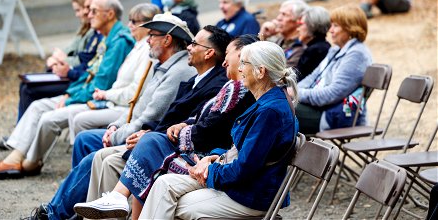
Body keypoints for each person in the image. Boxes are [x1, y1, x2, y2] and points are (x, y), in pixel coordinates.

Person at [22, 24, 230, 220]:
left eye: (194, 44)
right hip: (151, 135)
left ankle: (60, 212)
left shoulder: (205, 81)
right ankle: (84, 210)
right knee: (96, 151)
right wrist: (120, 128)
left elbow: (177, 122)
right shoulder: (192, 77)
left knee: (104, 156)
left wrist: (136, 133)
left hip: (173, 148)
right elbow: (142, 106)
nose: (189, 47)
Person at [72, 35, 259, 219]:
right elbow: (201, 118)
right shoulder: (230, 85)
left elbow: (210, 130)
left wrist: (177, 133)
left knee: (145, 145)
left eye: (228, 54)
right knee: (112, 154)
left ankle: (116, 197)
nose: (225, 62)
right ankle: (113, 199)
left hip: (201, 157)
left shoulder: (236, 89)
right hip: (199, 152)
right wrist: (183, 124)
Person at [128, 41, 298, 219]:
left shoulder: (269, 111)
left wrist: (210, 171)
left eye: (244, 63)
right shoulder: (268, 102)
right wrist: (212, 158)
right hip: (241, 183)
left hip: (249, 195)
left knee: (168, 203)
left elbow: (245, 168)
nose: (239, 69)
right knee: (163, 183)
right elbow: (242, 149)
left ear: (261, 71)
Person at [0, 0, 134, 179]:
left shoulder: (119, 41)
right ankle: (16, 157)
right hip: (85, 93)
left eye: (94, 11)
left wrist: (71, 98)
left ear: (110, 14)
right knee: (37, 106)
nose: (89, 15)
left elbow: (101, 83)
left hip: (100, 100)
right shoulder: (107, 37)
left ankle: (29, 162)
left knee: (49, 118)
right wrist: (68, 94)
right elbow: (88, 74)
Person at [65, 3, 160, 144]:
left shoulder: (147, 51)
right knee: (73, 114)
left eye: (134, 22)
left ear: (148, 25)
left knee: (79, 119)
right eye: (129, 21)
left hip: (125, 107)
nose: (129, 25)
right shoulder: (138, 46)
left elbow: (134, 92)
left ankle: (89, 158)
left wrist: (106, 94)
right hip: (115, 102)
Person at [13, 0, 101, 123]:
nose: (83, 13)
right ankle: (20, 131)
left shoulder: (101, 36)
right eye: (85, 9)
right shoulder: (88, 30)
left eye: (87, 9)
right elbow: (73, 52)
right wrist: (58, 61)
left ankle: (22, 134)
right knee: (26, 85)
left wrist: (65, 66)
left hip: (78, 83)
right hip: (74, 77)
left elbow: (85, 65)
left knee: (29, 90)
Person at [296, 4, 372, 134]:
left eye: (335, 26)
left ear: (351, 29)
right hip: (319, 109)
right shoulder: (336, 50)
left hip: (334, 116)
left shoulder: (356, 55)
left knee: (275, 111)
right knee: (273, 106)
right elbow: (313, 78)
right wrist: (292, 91)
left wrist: (296, 94)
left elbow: (331, 94)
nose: (330, 30)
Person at [259, 0, 309, 67]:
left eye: (284, 14)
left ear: (299, 20)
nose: (278, 18)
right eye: (280, 14)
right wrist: (263, 35)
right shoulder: (281, 40)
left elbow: (279, 73)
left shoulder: (301, 47)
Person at [295, 6, 331, 81]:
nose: (297, 29)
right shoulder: (323, 46)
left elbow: (299, 78)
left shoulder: (315, 50)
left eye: (300, 24)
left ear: (311, 25)